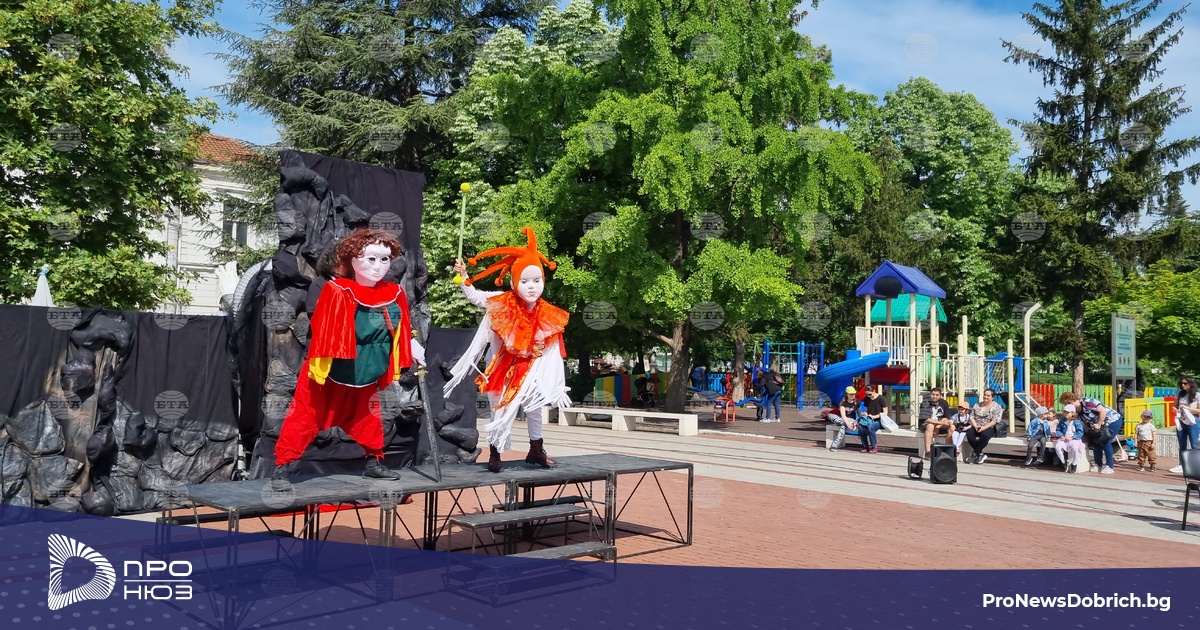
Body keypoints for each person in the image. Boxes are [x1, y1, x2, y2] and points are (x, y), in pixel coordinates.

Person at [273, 228, 422, 486]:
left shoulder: (391, 292)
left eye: (384, 259)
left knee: (369, 418)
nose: (378, 266)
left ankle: (374, 462)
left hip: (364, 368)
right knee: (304, 416)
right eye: (370, 259)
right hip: (328, 367)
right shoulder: (331, 287)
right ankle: (282, 467)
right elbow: (322, 323)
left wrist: (410, 345)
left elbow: (398, 326)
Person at [444, 227, 572, 473]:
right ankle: (495, 453)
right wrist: (464, 275)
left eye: (537, 281)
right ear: (514, 282)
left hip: (531, 370)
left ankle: (536, 450)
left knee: (534, 409)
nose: (532, 287)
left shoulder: (547, 312)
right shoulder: (502, 301)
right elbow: (475, 296)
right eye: (525, 281)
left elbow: (553, 350)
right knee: (499, 410)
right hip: (501, 368)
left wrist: (555, 381)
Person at [1060, 391, 1122, 474]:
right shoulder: (1076, 411)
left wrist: (1099, 423)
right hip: (1098, 426)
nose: (1066, 406)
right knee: (1096, 442)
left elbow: (1102, 411)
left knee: (1105, 441)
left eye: (1066, 404)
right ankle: (1098, 464)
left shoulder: (1087, 402)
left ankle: (1109, 466)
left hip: (1112, 420)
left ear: (1070, 401)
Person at [1171, 376, 1200, 473]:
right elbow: (1174, 406)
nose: (1183, 385)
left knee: (1194, 444)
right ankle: (1182, 465)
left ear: (1191, 384)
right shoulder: (1180, 394)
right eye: (1181, 383)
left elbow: (1199, 410)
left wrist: (1187, 408)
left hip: (1192, 420)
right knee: (1182, 444)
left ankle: (1196, 465)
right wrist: (1175, 409)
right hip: (1181, 419)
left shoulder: (1197, 395)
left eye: (1185, 383)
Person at [965, 389, 1003, 464]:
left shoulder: (997, 407)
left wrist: (984, 428)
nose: (985, 397)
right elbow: (972, 417)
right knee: (969, 435)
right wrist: (975, 426)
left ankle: (974, 454)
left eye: (988, 396)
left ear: (992, 397)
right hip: (977, 425)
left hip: (989, 427)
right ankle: (980, 454)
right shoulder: (977, 405)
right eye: (985, 395)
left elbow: (995, 421)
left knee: (985, 436)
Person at [918, 387, 953, 457]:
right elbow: (926, 419)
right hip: (926, 425)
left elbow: (946, 417)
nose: (934, 396)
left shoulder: (944, 403)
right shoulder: (925, 403)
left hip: (939, 425)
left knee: (952, 427)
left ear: (940, 396)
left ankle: (948, 451)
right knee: (930, 426)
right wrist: (941, 423)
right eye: (933, 394)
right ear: (930, 395)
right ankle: (928, 452)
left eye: (937, 395)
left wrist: (938, 427)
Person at [1054, 404, 1087, 473]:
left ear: (1072, 413)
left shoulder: (1076, 422)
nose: (1065, 414)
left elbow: (1080, 432)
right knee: (1057, 447)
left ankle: (1074, 464)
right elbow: (1058, 430)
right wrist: (1061, 436)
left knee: (1075, 448)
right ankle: (1063, 462)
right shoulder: (1062, 421)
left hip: (1074, 439)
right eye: (1065, 412)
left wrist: (1072, 437)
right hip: (1065, 439)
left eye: (1068, 412)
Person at [827, 386, 859, 452]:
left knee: (843, 428)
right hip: (843, 419)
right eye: (850, 394)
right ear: (847, 394)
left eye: (853, 394)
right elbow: (843, 415)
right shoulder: (843, 403)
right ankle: (848, 424)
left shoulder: (856, 402)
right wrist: (848, 424)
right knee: (829, 415)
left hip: (851, 419)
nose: (852, 395)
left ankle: (834, 445)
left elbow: (859, 413)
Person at [860, 386, 888, 453]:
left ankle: (874, 446)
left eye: (870, 394)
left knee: (870, 427)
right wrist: (865, 414)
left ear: (874, 391)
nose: (868, 396)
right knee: (860, 427)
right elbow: (867, 410)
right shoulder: (867, 399)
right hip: (870, 419)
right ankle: (865, 446)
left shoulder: (881, 398)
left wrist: (874, 417)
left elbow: (885, 413)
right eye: (866, 394)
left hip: (880, 420)